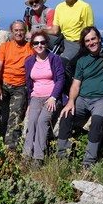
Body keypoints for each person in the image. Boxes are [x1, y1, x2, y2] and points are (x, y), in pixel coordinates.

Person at [57, 26, 103, 168]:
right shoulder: (82, 60)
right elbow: (75, 85)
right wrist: (71, 102)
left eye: (93, 39)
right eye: (87, 41)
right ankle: (62, 156)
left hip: (102, 99)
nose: (91, 43)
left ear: (99, 39)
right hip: (83, 98)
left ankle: (89, 161)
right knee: (66, 116)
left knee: (97, 122)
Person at [0, 20, 34, 150]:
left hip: (20, 86)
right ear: (11, 32)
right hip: (4, 83)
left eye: (21, 30)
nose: (19, 33)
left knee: (15, 115)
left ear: (25, 31)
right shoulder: (5, 47)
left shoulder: (30, 48)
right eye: (16, 30)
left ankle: (10, 149)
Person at [23, 30, 65, 167]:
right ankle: (26, 154)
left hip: (51, 97)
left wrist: (53, 97)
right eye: (36, 43)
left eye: (42, 42)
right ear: (32, 45)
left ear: (46, 44)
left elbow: (60, 79)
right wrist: (29, 103)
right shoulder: (29, 61)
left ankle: (38, 157)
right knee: (32, 121)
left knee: (42, 121)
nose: (39, 45)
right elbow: (29, 84)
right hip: (36, 96)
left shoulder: (54, 59)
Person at [47, 0, 94, 69]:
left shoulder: (84, 7)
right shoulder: (59, 7)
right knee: (36, 39)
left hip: (76, 43)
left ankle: (68, 82)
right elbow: (55, 30)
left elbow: (89, 31)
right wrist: (39, 31)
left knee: (60, 63)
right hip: (62, 41)